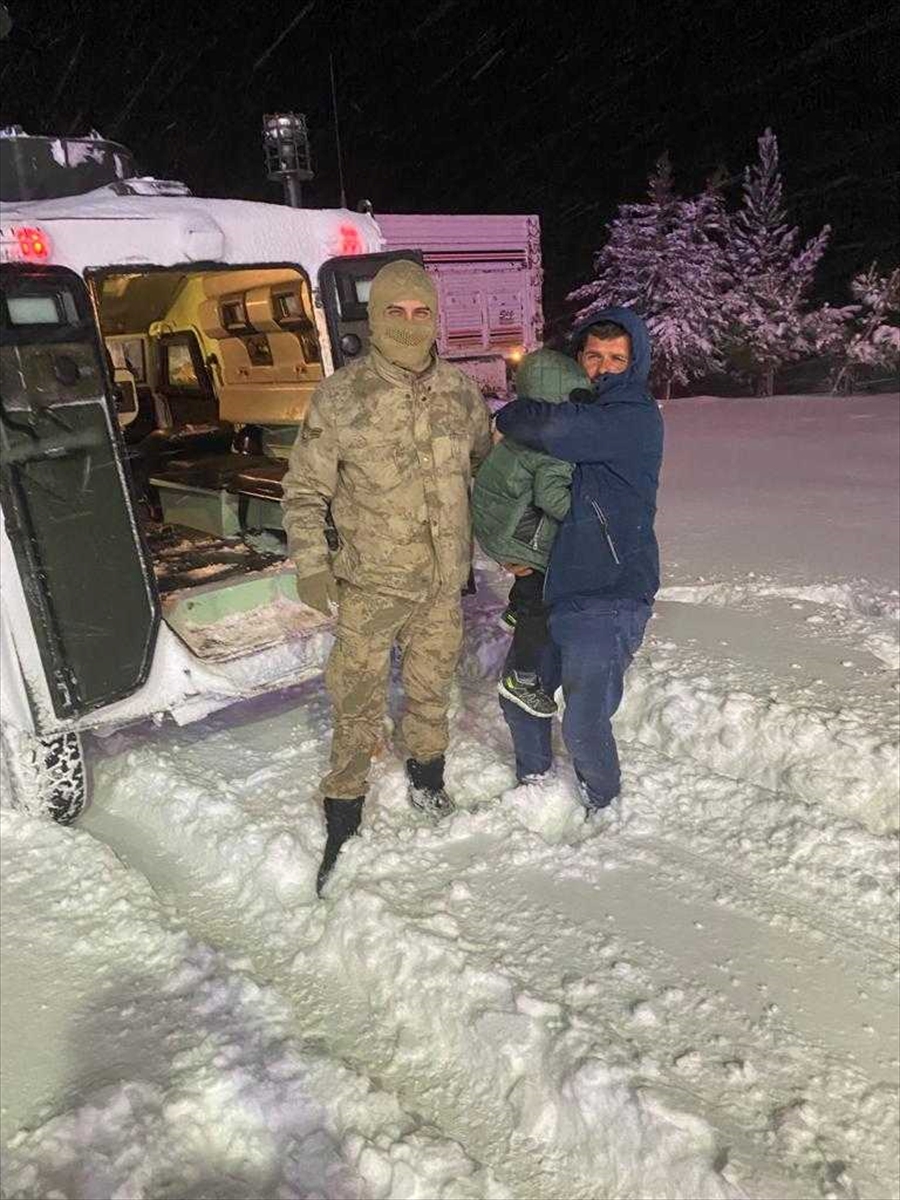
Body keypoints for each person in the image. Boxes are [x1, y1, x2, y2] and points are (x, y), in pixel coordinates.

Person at [282, 260, 492, 894]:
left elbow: (483, 466)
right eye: (395, 311)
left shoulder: (461, 393)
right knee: (357, 702)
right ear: (374, 319)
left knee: (431, 689)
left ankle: (428, 784)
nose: (408, 323)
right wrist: (312, 564)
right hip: (371, 584)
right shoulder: (341, 397)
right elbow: (303, 489)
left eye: (420, 312)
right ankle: (343, 812)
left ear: (434, 319)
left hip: (441, 582)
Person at [494, 307, 663, 814]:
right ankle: (536, 785)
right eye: (594, 357)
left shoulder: (631, 415)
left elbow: (540, 425)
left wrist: (509, 414)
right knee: (520, 697)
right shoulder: (585, 412)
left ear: (634, 365)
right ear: (578, 361)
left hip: (607, 593)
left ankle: (603, 803)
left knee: (584, 721)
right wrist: (518, 549)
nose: (605, 368)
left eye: (617, 358)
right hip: (556, 585)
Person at [471, 349, 591, 718]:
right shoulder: (552, 448)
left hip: (491, 524)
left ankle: (515, 608)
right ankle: (521, 677)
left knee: (535, 572)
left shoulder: (522, 431)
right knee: (544, 596)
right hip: (511, 535)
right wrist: (585, 516)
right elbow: (550, 496)